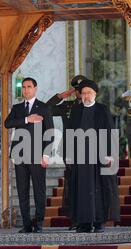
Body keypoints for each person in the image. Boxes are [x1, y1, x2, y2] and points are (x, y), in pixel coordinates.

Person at [68, 79, 120, 233]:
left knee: (99, 189)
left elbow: (110, 132)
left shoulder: (102, 109)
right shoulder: (76, 110)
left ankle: (98, 222)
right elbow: (69, 133)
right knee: (81, 189)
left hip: (99, 156)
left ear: (95, 94)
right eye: (83, 93)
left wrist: (110, 155)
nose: (86, 96)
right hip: (80, 157)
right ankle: (84, 223)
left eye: (89, 93)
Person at [4, 77, 54, 233]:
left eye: (29, 87)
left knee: (39, 190)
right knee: (22, 190)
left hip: (38, 156)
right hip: (20, 155)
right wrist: (27, 119)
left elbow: (50, 133)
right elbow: (7, 123)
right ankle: (26, 224)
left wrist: (46, 155)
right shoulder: (17, 108)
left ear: (35, 88)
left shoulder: (44, 108)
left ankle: (38, 224)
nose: (26, 90)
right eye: (24, 87)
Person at [46, 75, 86, 229]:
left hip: (90, 149)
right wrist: (60, 97)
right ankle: (75, 219)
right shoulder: (67, 106)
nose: (80, 93)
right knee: (73, 185)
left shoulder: (94, 106)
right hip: (70, 150)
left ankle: (91, 218)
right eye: (77, 91)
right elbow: (46, 109)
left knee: (88, 185)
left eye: (83, 90)